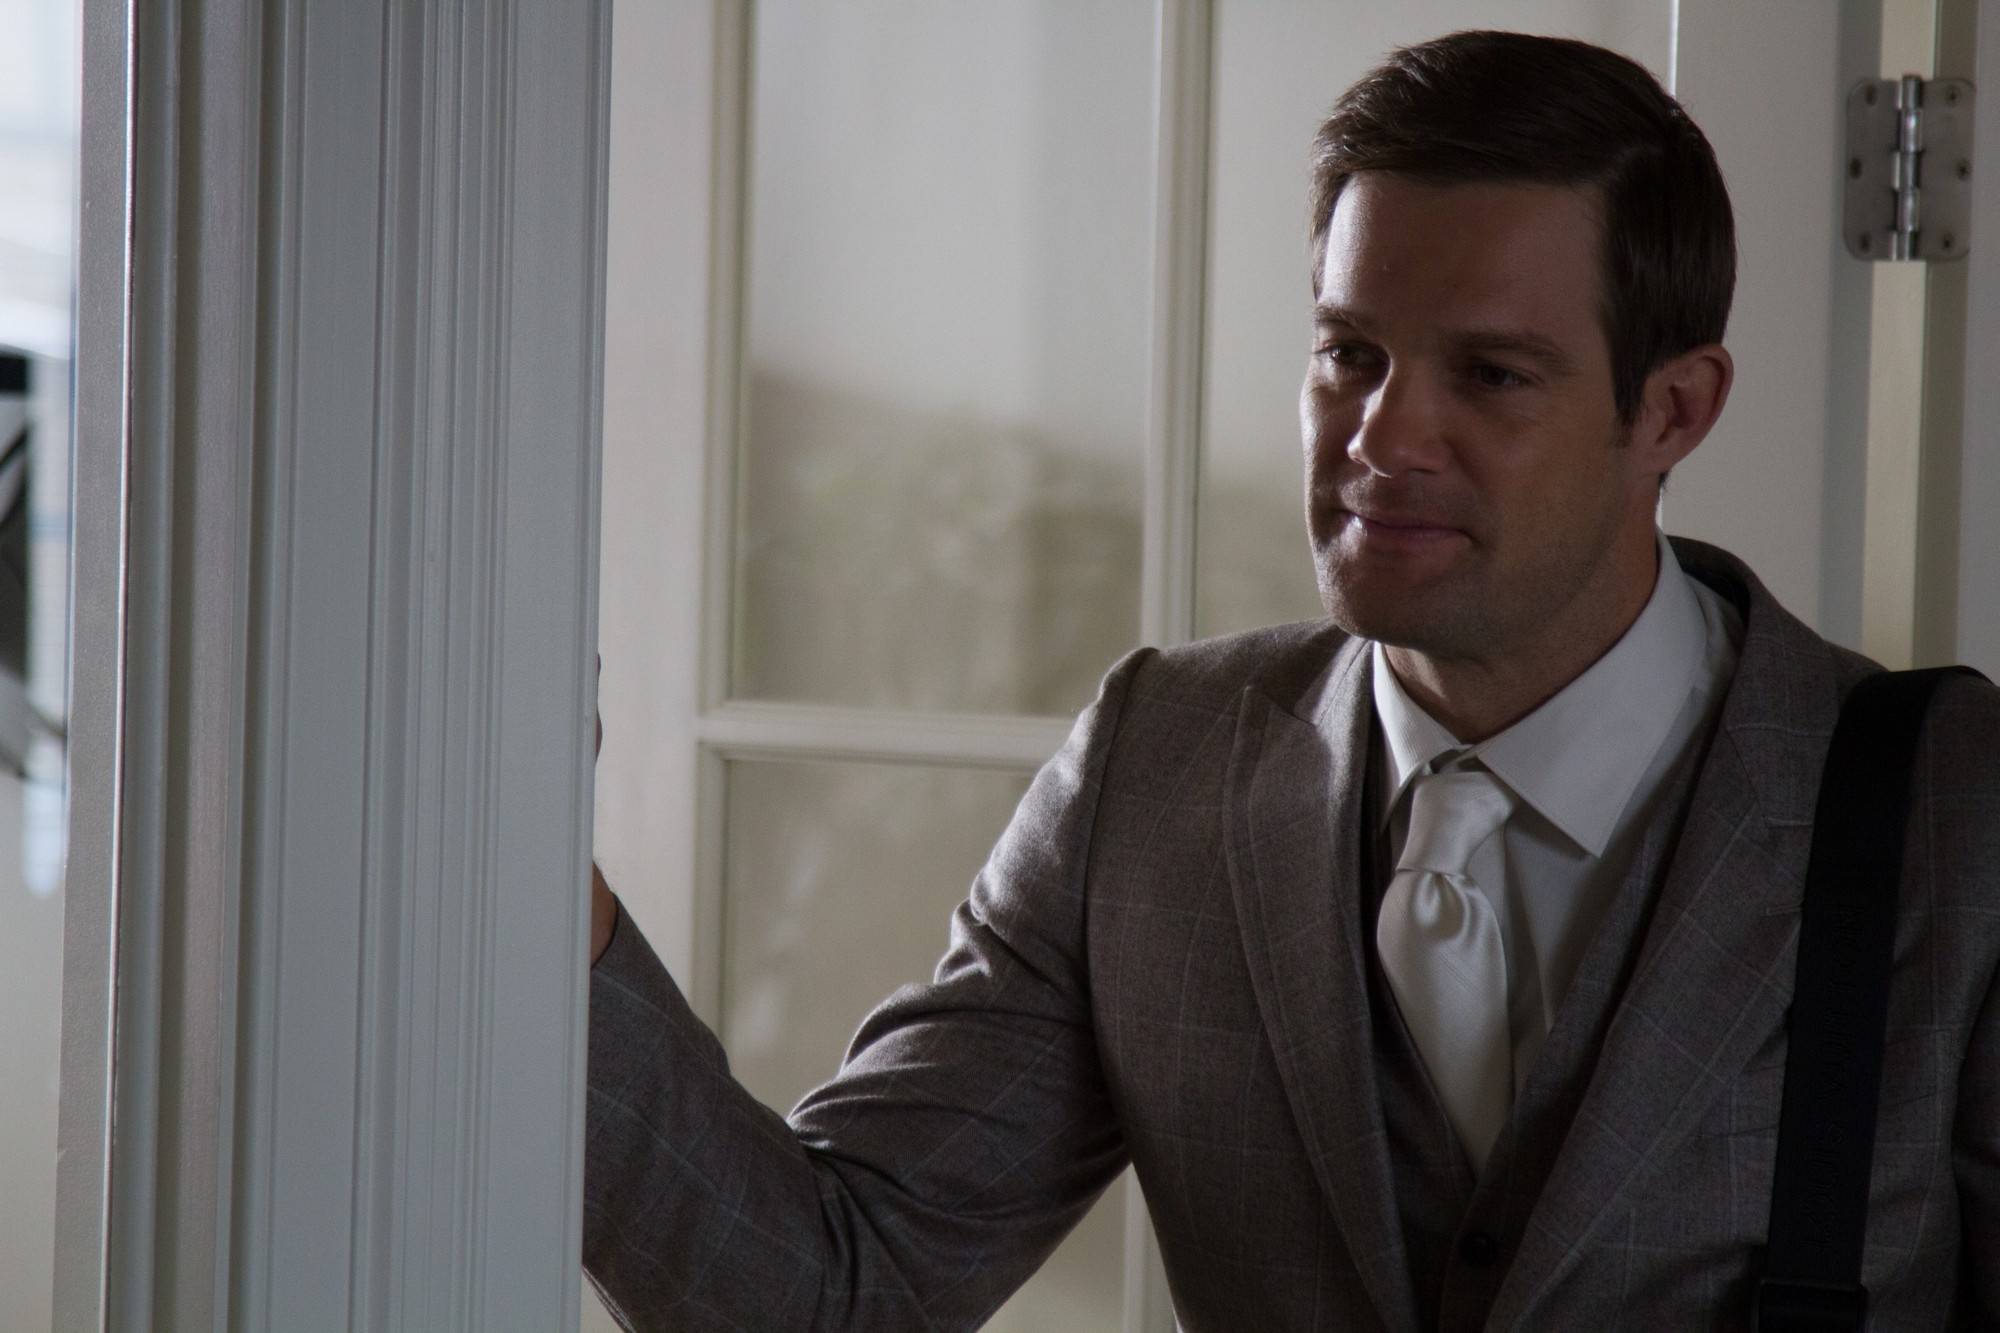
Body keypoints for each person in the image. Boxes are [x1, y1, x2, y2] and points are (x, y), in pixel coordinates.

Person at [582, 30, 2000, 1331]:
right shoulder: (1156, 771)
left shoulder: (1955, 809)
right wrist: (541, 903)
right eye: (1350, 354)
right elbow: (831, 1288)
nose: (1382, 435)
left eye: (1491, 375)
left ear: (1674, 410)